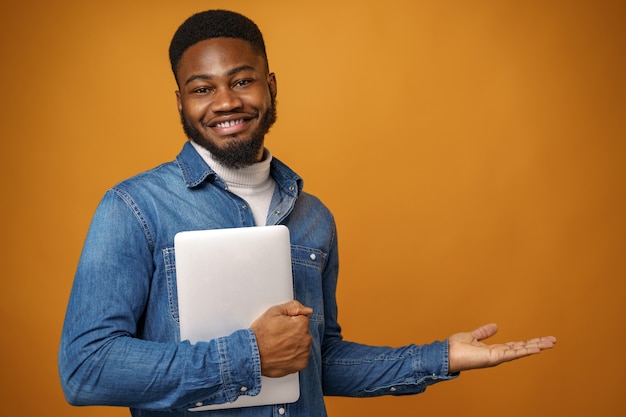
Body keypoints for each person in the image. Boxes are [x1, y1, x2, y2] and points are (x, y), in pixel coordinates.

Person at [58, 9, 556, 417]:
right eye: (202, 88)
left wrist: (441, 357)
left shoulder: (312, 216)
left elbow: (317, 362)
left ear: (270, 85)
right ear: (181, 101)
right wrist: (249, 355)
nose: (226, 102)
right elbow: (85, 369)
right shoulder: (133, 207)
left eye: (242, 80)